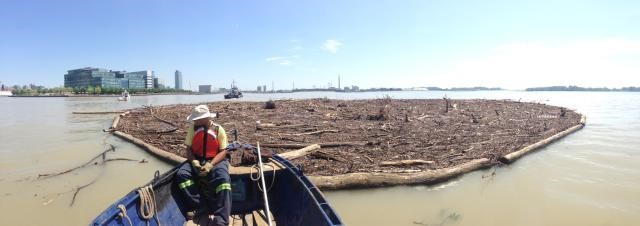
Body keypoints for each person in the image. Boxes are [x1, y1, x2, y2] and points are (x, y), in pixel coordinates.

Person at [175, 104, 231, 226]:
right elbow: (188, 148)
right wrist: (194, 161)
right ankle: (200, 206)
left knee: (223, 180)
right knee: (182, 174)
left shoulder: (218, 129)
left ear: (205, 118)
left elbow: (224, 151)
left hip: (216, 160)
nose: (195, 121)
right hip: (197, 159)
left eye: (197, 119)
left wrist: (210, 165)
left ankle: (221, 219)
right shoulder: (193, 128)